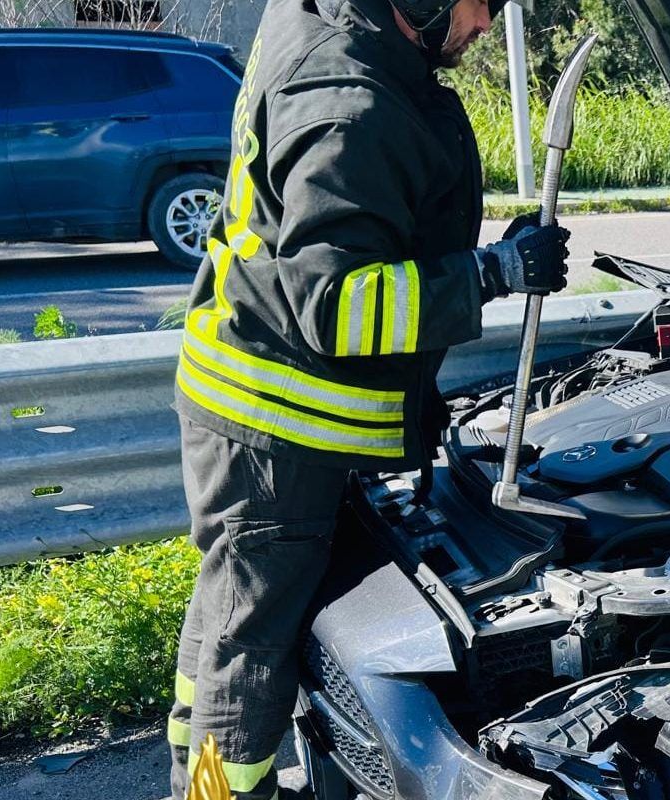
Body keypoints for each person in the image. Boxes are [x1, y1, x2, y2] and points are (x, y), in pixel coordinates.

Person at [165, 0, 571, 797]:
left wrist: (486, 259)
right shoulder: (350, 103)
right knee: (245, 660)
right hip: (273, 431)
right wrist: (492, 275)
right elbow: (338, 305)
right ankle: (214, 790)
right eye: (478, 3)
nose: (487, 24)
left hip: (249, 400)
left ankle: (191, 776)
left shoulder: (320, 22)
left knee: (227, 621)